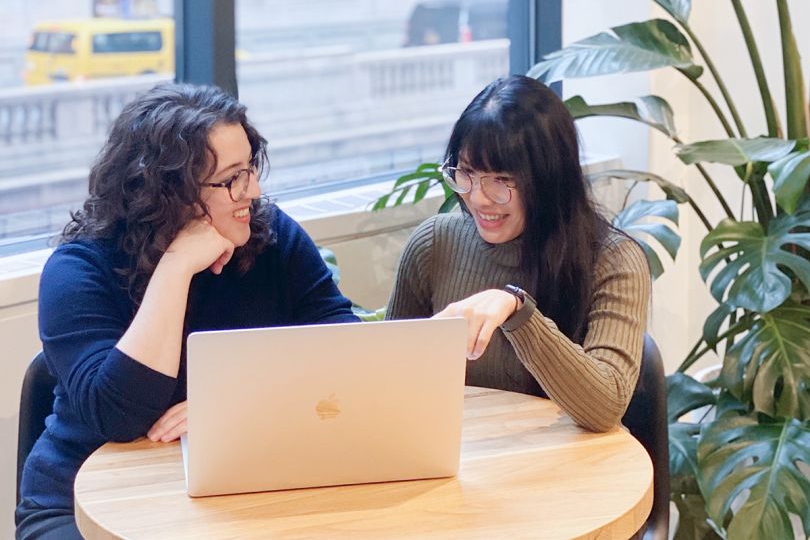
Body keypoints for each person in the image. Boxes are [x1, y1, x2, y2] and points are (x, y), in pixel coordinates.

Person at [16, 83, 358, 539]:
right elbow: (119, 417)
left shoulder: (273, 240)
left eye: (250, 168)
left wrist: (234, 407)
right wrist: (175, 269)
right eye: (231, 178)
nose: (253, 190)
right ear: (168, 192)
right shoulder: (79, 269)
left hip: (238, 491)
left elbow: (351, 356)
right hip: (84, 504)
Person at [386, 75, 651, 432]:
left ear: (548, 180)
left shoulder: (612, 260)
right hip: (461, 464)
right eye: (466, 173)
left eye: (502, 180)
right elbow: (389, 385)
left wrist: (518, 312)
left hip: (573, 475)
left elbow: (606, 407)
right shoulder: (434, 245)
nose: (478, 197)